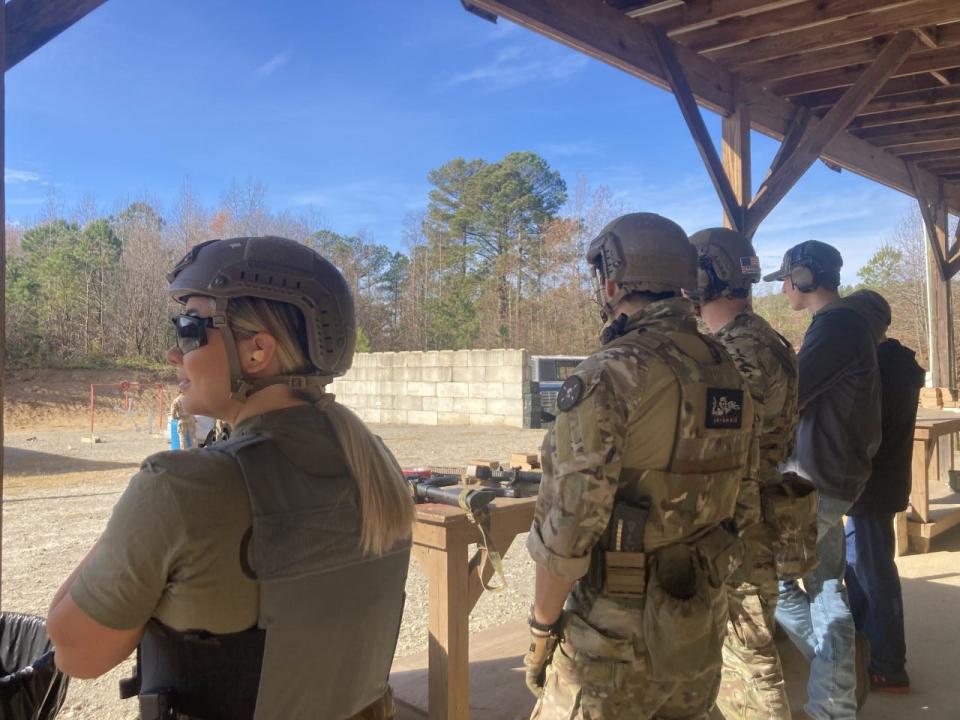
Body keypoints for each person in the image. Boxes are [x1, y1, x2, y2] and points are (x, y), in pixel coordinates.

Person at [46, 236, 415, 720]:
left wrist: (143, 509)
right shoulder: (374, 462)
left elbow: (73, 650)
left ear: (258, 351)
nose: (174, 354)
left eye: (189, 329)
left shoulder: (182, 487)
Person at [523, 212, 757, 719]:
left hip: (614, 645)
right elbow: (745, 491)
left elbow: (568, 530)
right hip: (697, 624)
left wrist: (542, 627)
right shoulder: (728, 369)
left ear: (611, 283)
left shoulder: (611, 374)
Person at [764, 241, 882, 719]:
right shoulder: (840, 327)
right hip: (828, 478)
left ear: (807, 277)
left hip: (818, 484)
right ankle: (834, 699)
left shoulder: (835, 327)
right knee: (827, 588)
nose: (786, 287)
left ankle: (833, 694)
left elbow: (787, 397)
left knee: (771, 578)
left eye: (789, 278)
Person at [689, 228, 799, 720]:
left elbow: (715, 447)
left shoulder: (734, 352)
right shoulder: (763, 339)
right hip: (755, 514)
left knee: (748, 661)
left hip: (738, 525)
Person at [843, 289, 923, 695]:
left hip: (871, 485)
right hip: (878, 484)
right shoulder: (899, 363)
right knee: (858, 568)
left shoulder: (879, 368)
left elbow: (859, 427)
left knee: (875, 575)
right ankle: (864, 648)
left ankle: (889, 667)